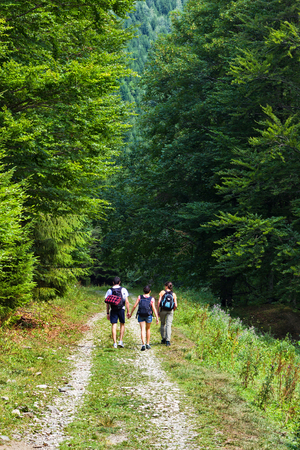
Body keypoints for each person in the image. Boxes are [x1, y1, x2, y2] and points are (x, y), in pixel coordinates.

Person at [128, 285, 159, 351]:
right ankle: (147, 344)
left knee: (142, 329)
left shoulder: (140, 297)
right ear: (150, 291)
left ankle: (143, 344)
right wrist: (157, 318)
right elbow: (154, 308)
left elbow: (134, 306)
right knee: (148, 329)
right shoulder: (151, 299)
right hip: (148, 315)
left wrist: (131, 313)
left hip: (141, 315)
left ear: (143, 291)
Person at [105, 276, 130, 348]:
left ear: (113, 282)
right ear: (119, 282)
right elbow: (127, 302)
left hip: (113, 309)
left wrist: (107, 313)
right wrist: (128, 311)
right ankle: (120, 341)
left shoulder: (110, 290)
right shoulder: (123, 289)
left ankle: (114, 343)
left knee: (114, 325)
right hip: (121, 308)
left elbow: (107, 303)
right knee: (122, 324)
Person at [158, 281, 177, 346]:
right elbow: (176, 305)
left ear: (166, 286)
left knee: (163, 324)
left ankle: (163, 339)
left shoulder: (162, 292)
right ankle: (168, 341)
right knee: (169, 325)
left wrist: (158, 310)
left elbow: (159, 302)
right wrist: (173, 310)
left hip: (163, 310)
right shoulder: (173, 294)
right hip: (170, 310)